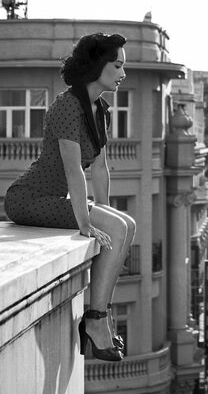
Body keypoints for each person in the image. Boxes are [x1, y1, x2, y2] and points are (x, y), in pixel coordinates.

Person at [4, 32, 135, 362]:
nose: (122, 74)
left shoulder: (99, 109)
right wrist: (87, 222)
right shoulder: (67, 107)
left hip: (55, 200)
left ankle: (96, 318)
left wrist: (104, 210)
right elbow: (75, 170)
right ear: (96, 66)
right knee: (117, 229)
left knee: (126, 224)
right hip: (28, 199)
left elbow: (100, 168)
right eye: (117, 66)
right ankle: (96, 322)